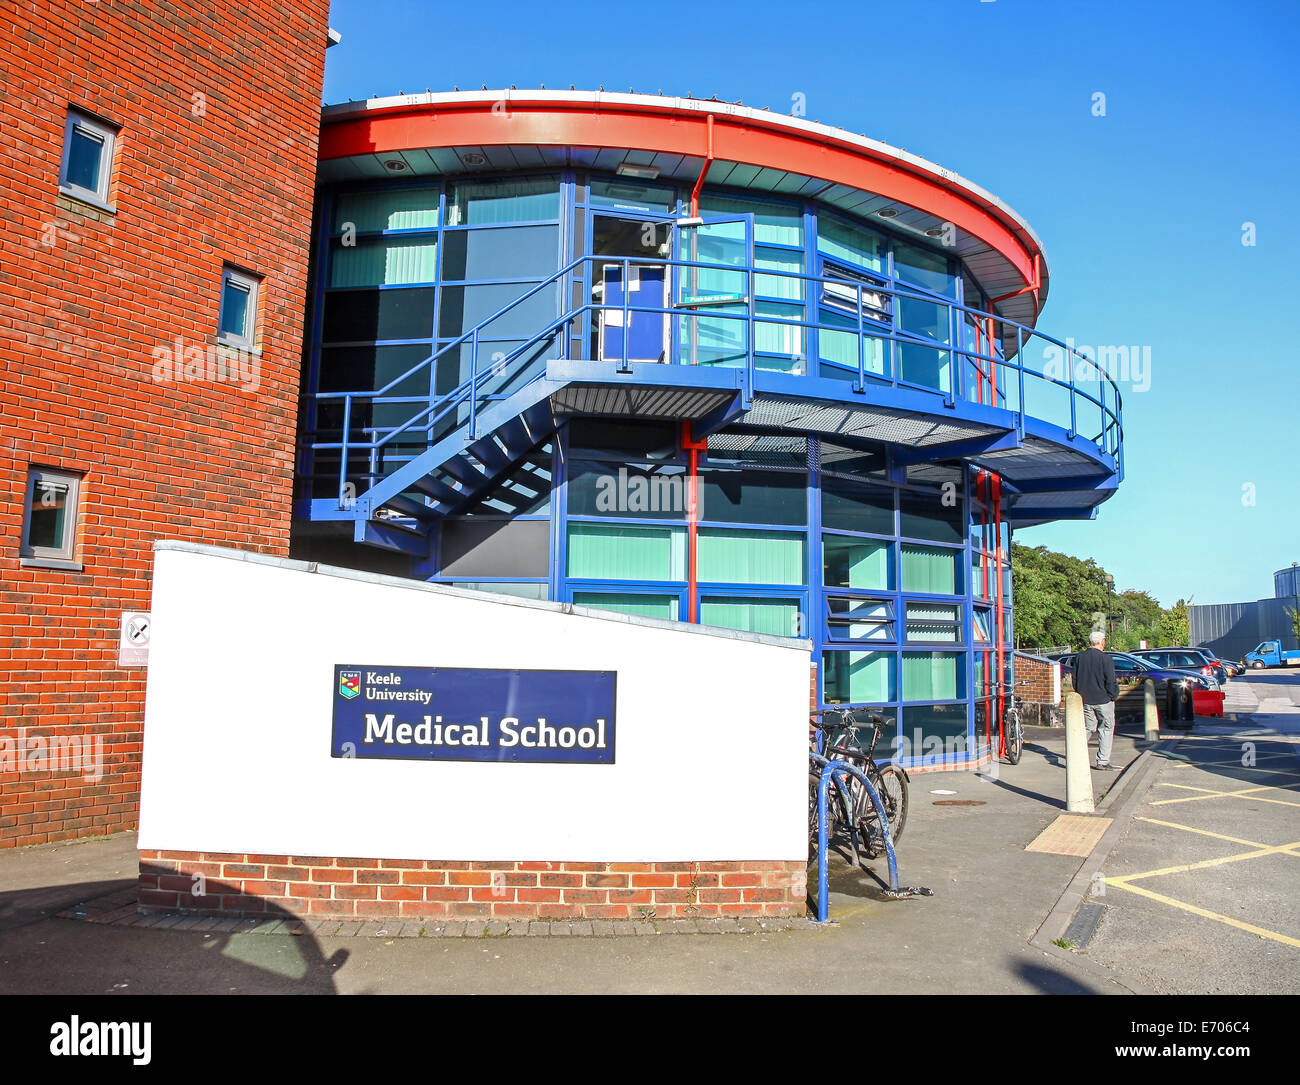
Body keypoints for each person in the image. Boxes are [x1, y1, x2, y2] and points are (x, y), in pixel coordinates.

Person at [1075, 629, 1119, 770]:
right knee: (1106, 728)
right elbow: (1110, 681)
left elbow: (1075, 678)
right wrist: (1113, 695)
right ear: (1102, 642)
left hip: (1086, 699)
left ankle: (1075, 755)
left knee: (1088, 728)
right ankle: (1102, 761)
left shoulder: (1080, 657)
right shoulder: (1105, 659)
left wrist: (1079, 693)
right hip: (1103, 699)